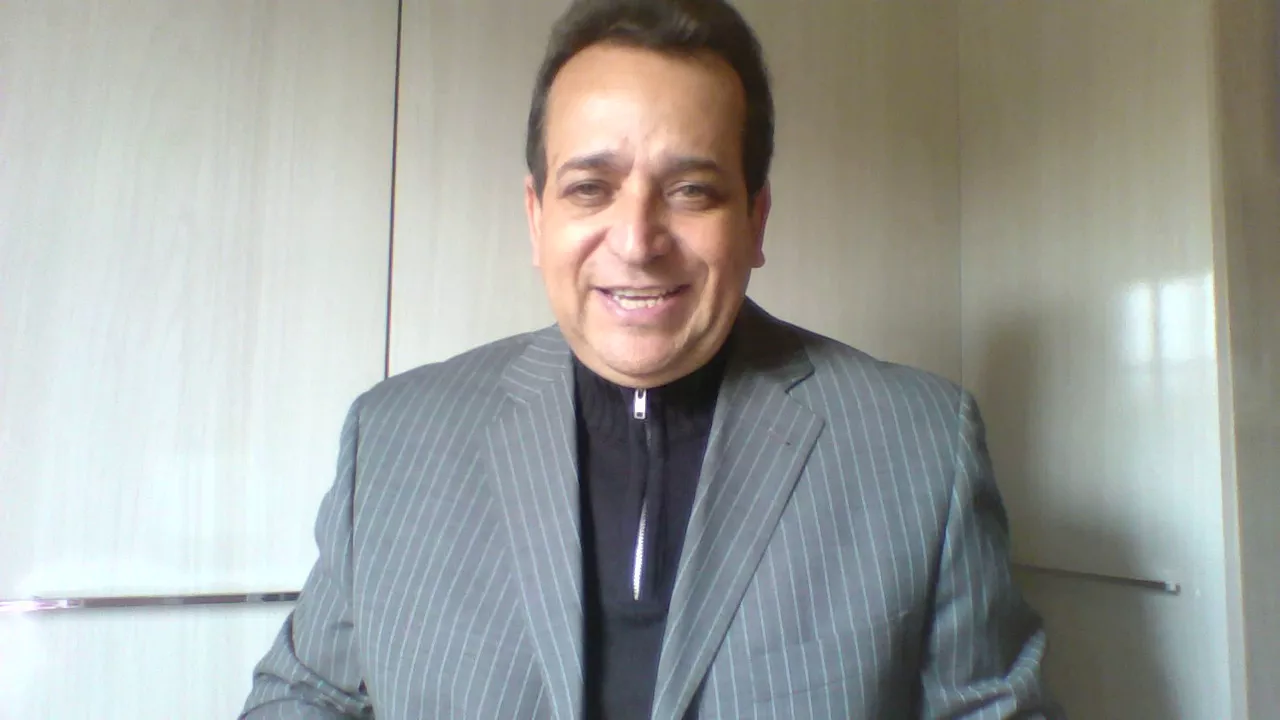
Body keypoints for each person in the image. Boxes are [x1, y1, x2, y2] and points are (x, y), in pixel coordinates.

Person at [241, 0, 1059, 718]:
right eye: (590, 188)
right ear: (536, 217)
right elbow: (306, 696)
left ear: (755, 220)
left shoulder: (920, 448)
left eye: (692, 190)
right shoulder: (392, 440)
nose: (637, 241)